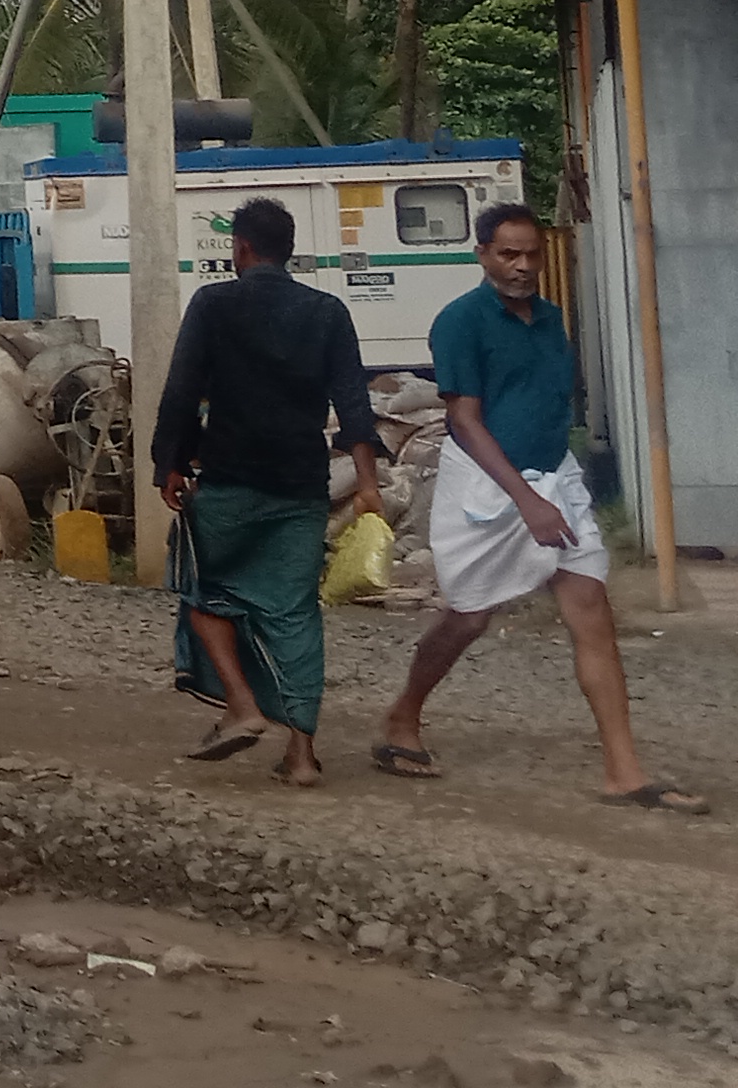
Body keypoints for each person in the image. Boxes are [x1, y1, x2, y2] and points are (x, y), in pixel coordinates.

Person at [372, 202, 706, 811]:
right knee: (469, 618)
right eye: (508, 254)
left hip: (556, 480)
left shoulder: (551, 320)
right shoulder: (460, 321)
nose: (522, 266)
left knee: (591, 610)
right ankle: (403, 716)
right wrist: (524, 500)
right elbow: (464, 420)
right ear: (482, 255)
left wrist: (550, 487)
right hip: (484, 490)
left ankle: (624, 772)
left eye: (531, 254)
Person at [151, 195, 384, 787]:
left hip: (230, 480)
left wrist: (168, 464)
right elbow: (354, 403)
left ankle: (242, 705)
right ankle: (301, 757)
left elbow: (182, 390)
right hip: (301, 486)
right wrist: (368, 485)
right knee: (295, 614)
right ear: (289, 250)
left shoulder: (213, 304)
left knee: (202, 592)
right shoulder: (327, 312)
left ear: (242, 247)